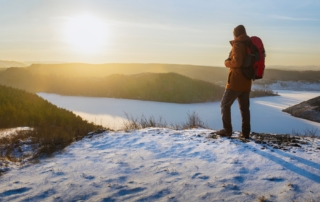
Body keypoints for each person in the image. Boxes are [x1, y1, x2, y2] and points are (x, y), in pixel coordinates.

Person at [216, 25, 252, 139]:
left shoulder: (237, 45)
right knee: (244, 108)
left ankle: (227, 130)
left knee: (224, 105)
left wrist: (227, 63)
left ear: (236, 34)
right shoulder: (249, 44)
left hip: (236, 81)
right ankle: (245, 133)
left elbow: (237, 63)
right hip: (247, 81)